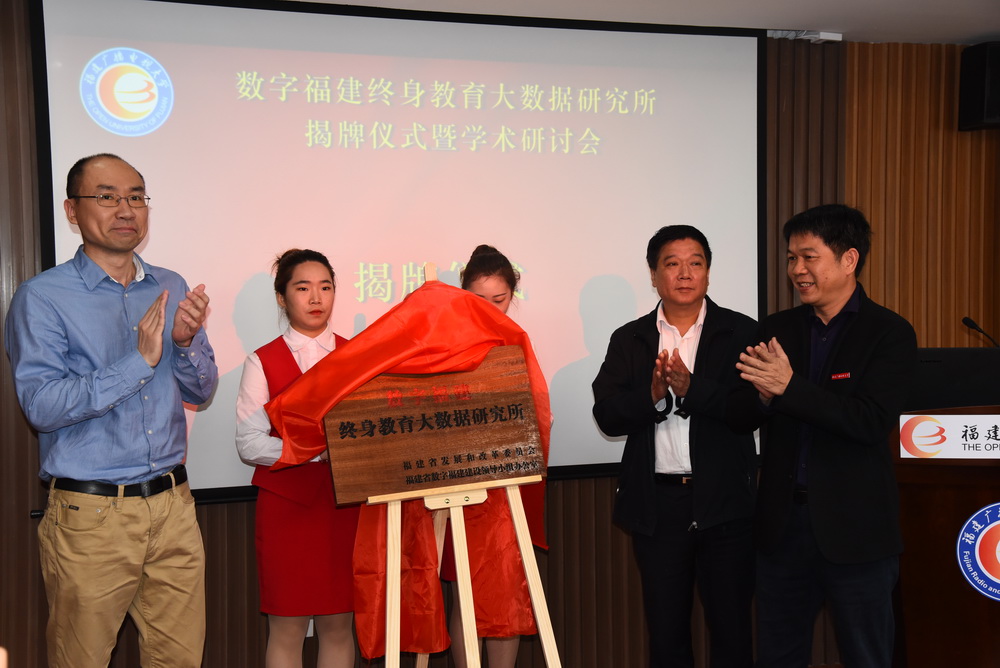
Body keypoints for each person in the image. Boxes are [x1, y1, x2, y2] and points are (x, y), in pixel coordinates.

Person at [4, 153, 217, 668]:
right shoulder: (43, 297)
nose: (126, 209)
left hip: (173, 506)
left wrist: (183, 343)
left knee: (180, 660)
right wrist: (138, 362)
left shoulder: (170, 284)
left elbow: (202, 389)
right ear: (72, 211)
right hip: (91, 516)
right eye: (107, 197)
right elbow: (42, 406)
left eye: (136, 197)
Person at [729, 204, 917, 668]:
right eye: (791, 258)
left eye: (809, 257)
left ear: (849, 259)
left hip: (856, 533)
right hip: (783, 528)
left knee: (867, 656)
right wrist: (764, 399)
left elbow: (869, 420)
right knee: (777, 656)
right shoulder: (777, 329)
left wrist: (789, 388)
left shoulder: (889, 333)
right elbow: (741, 414)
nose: (797, 270)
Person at [592, 226, 757, 668]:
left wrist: (692, 389)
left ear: (708, 272)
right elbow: (606, 414)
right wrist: (650, 396)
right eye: (672, 264)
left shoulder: (741, 332)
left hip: (725, 506)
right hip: (659, 506)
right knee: (666, 635)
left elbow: (751, 412)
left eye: (695, 263)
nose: (685, 273)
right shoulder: (630, 338)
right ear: (653, 274)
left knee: (733, 631)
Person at [235, 249, 360, 668]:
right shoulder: (262, 360)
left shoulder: (357, 355)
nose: (316, 298)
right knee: (287, 628)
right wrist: (313, 450)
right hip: (286, 509)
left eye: (325, 287)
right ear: (281, 297)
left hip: (345, 506)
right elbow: (249, 443)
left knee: (339, 625)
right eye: (303, 288)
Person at [441, 244, 540, 668]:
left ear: (512, 296)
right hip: (457, 484)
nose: (488, 309)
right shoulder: (444, 344)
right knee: (465, 593)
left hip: (506, 485)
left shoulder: (518, 343)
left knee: (506, 591)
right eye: (477, 300)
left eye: (498, 300)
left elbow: (537, 416)